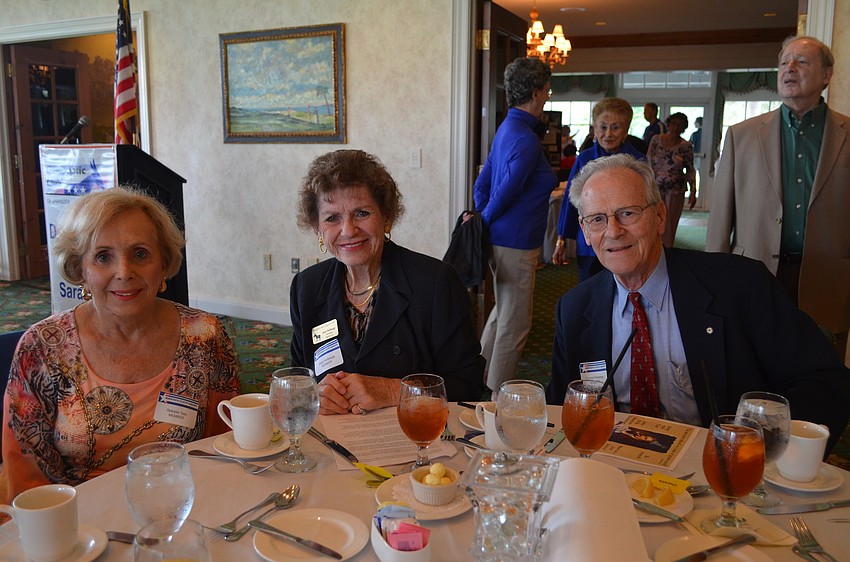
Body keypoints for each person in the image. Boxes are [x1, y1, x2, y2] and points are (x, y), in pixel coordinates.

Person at [546, 154, 850, 452]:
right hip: (612, 472)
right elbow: (561, 409)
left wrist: (776, 458)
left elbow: (822, 381)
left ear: (660, 216)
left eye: (628, 213)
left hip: (720, 470)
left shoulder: (739, 285)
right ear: (585, 231)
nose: (613, 231)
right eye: (598, 219)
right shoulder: (574, 309)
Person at [1, 187, 240, 501]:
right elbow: (26, 479)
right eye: (103, 257)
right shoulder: (43, 348)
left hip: (181, 508)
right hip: (76, 524)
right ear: (80, 270)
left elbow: (222, 446)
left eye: (140, 253)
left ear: (164, 263)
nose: (124, 272)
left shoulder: (204, 335)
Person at [291, 149, 485, 414]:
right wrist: (315, 394)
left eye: (361, 213)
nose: (348, 230)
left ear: (387, 217)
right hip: (335, 441)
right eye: (332, 218)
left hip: (413, 438)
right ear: (318, 229)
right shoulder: (306, 288)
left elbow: (469, 386)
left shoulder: (435, 283)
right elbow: (298, 381)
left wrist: (394, 390)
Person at [706, 36, 850, 360]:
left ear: (827, 75)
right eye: (784, 62)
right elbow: (720, 220)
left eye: (802, 61)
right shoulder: (741, 135)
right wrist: (715, 281)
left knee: (821, 372)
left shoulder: (847, 134)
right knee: (754, 366)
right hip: (755, 271)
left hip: (827, 279)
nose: (789, 68)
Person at [473, 57, 557, 393]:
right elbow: (504, 192)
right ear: (536, 92)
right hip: (517, 242)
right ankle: (496, 393)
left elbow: (483, 185)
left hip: (503, 239)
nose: (548, 96)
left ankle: (478, 377)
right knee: (516, 323)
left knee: (502, 314)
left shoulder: (508, 128)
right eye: (547, 90)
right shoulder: (525, 137)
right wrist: (485, 221)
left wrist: (484, 220)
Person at [552, 97, 646, 281]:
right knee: (589, 289)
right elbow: (571, 202)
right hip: (591, 244)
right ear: (594, 130)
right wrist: (561, 238)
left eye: (615, 127)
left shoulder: (638, 160)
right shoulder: (584, 159)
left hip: (626, 238)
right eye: (603, 127)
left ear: (626, 130)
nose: (608, 133)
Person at [647, 112, 697, 247]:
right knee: (652, 219)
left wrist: (693, 191)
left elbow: (690, 169)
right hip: (655, 188)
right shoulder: (656, 140)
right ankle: (651, 248)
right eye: (673, 124)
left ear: (684, 128)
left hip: (675, 190)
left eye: (680, 125)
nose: (675, 127)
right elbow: (648, 162)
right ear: (668, 124)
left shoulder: (686, 146)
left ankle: (667, 252)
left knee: (669, 223)